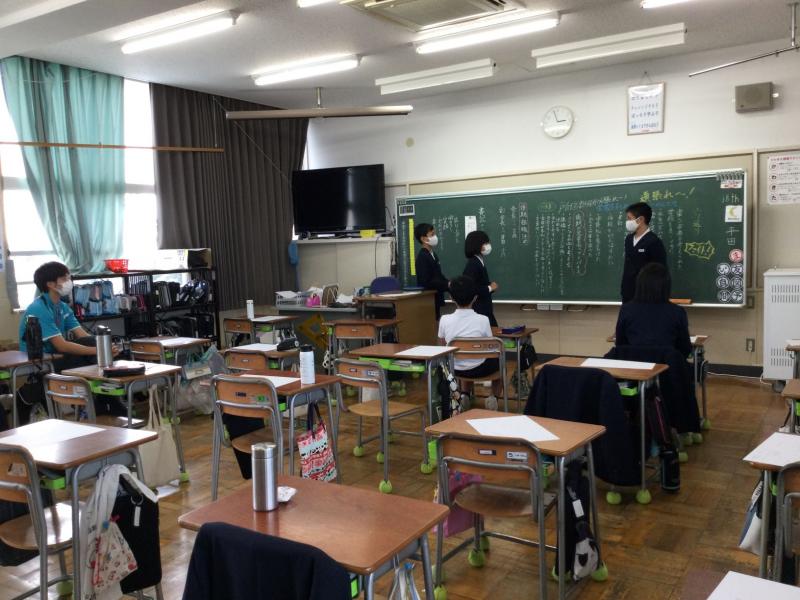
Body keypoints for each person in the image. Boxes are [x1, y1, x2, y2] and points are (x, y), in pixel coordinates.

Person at [438, 276, 502, 411]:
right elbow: (489, 347)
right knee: (500, 362)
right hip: (481, 369)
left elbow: (442, 347)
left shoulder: (444, 320)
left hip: (455, 370)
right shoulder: (483, 320)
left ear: (451, 297)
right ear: (475, 298)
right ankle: (493, 398)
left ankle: (465, 395)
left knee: (462, 357)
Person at [615, 263, 692, 357]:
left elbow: (620, 345)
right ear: (666, 287)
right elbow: (685, 349)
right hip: (668, 364)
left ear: (639, 284)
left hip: (635, 364)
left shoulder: (626, 310)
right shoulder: (677, 312)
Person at [621, 201, 667, 303]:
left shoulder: (654, 242)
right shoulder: (628, 239)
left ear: (640, 219)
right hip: (627, 292)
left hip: (646, 295)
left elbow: (660, 272)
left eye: (629, 218)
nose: (627, 222)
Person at [462, 230, 498, 327]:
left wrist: (489, 286)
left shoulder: (479, 261)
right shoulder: (473, 264)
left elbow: (479, 283)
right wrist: (489, 288)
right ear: (477, 245)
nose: (488, 246)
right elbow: (471, 288)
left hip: (484, 308)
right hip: (479, 309)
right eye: (485, 243)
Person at [414, 222, 449, 320]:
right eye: (432, 234)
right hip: (428, 300)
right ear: (423, 239)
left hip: (436, 297)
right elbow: (425, 282)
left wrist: (449, 283)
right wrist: (446, 285)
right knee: (431, 323)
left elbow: (438, 275)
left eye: (435, 234)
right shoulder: (422, 257)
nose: (435, 237)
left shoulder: (433, 254)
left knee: (436, 320)